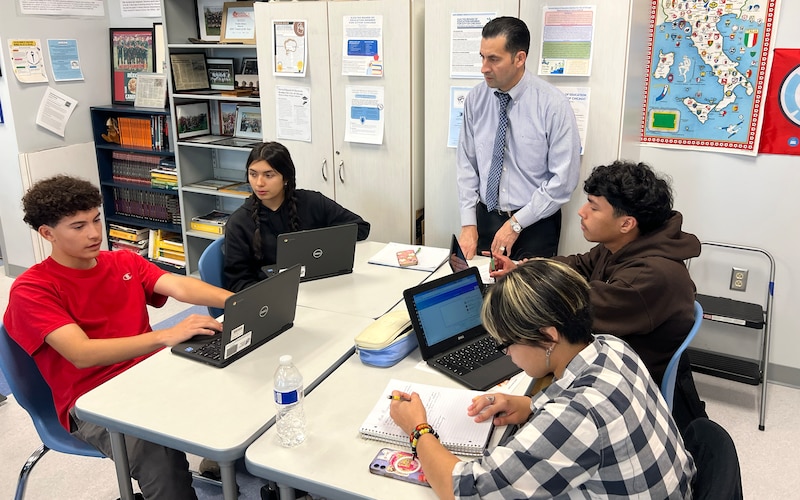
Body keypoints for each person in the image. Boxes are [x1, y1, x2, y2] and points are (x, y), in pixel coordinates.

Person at [3, 175, 234, 499]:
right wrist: (164, 336)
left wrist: (237, 301)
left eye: (96, 219)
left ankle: (228, 459)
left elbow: (180, 286)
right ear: (47, 233)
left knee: (239, 376)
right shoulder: (32, 289)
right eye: (78, 226)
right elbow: (81, 353)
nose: (95, 233)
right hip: (92, 400)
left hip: (151, 373)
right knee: (159, 455)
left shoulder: (122, 260)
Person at [389, 260, 695, 499]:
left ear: (548, 337)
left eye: (505, 343)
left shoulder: (577, 417)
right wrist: (528, 405)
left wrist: (417, 429)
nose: (506, 353)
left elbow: (467, 491)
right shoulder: (612, 346)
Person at [491, 160, 706, 431]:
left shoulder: (649, 277)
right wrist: (524, 268)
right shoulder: (625, 243)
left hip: (626, 394)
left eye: (593, 207)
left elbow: (574, 311)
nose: (582, 212)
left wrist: (522, 291)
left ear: (626, 223)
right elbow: (581, 265)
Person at [457, 16, 581, 261]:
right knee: (486, 293)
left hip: (535, 222)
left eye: (493, 59)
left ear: (519, 58)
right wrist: (468, 223)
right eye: (482, 57)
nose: (484, 67)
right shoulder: (475, 99)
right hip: (487, 217)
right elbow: (467, 164)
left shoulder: (552, 104)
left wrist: (516, 223)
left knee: (530, 297)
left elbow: (563, 180)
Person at [224, 141, 370, 292]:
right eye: (253, 174)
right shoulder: (239, 222)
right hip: (274, 297)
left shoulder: (312, 202)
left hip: (319, 288)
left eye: (269, 175)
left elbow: (360, 227)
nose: (259, 183)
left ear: (285, 178)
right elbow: (237, 283)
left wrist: (314, 245)